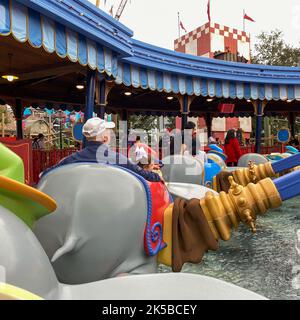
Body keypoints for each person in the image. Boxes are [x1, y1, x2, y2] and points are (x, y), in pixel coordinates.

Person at [42, 118, 162, 182]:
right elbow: (141, 173)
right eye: (109, 132)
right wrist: (158, 177)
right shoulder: (117, 159)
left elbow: (46, 173)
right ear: (105, 138)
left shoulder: (73, 158)